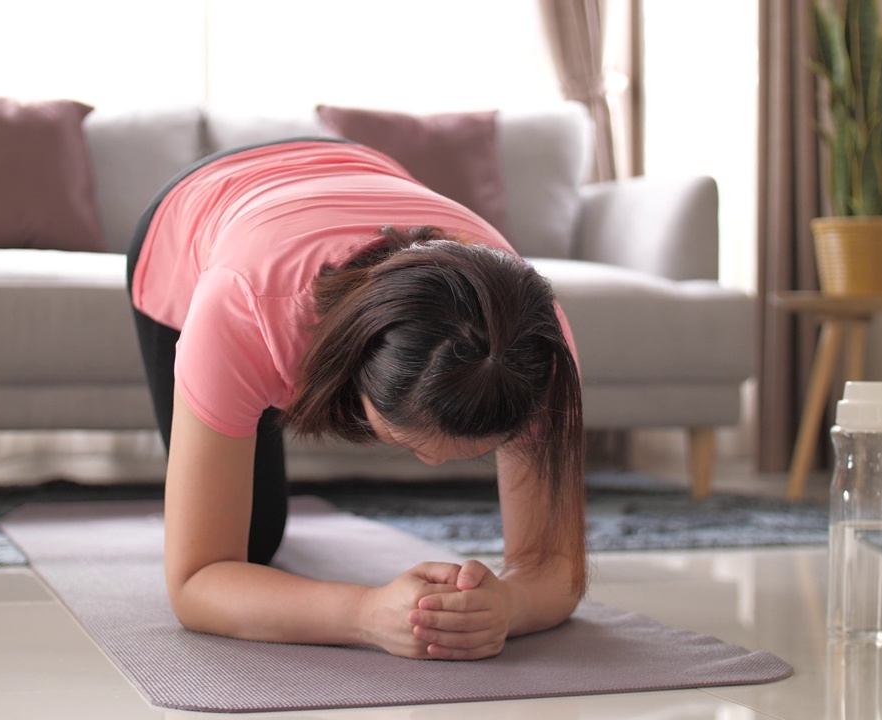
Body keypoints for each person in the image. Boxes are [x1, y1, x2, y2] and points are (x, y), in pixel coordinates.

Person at [126, 138, 586, 661]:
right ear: (358, 366)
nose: (432, 461)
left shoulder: (529, 344)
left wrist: (508, 604)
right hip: (194, 209)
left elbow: (555, 568)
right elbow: (197, 583)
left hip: (359, 168)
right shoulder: (241, 308)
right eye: (407, 436)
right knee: (253, 544)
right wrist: (366, 615)